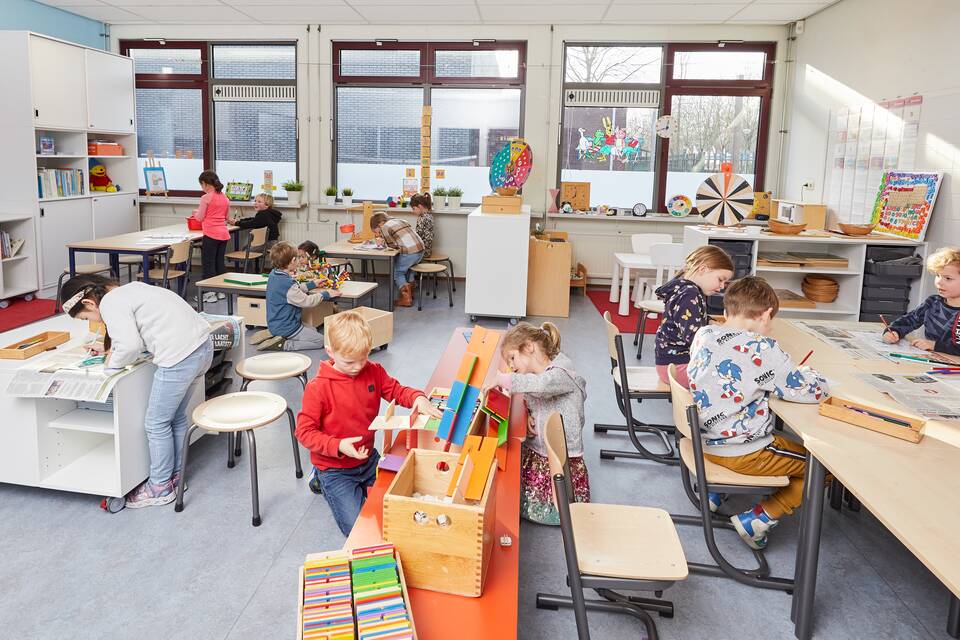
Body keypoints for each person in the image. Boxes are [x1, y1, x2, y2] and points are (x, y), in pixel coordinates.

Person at [688, 277, 829, 550]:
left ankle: (716, 492)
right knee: (826, 467)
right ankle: (761, 517)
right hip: (743, 451)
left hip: (702, 441)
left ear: (727, 311)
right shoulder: (762, 347)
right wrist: (812, 376)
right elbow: (810, 391)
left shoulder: (704, 334)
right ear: (765, 314)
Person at [59, 274, 213, 508]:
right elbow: (141, 333)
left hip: (180, 357)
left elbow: (130, 345)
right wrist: (108, 347)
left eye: (86, 317)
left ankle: (160, 487)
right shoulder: (131, 289)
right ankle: (176, 476)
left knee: (156, 423)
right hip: (201, 347)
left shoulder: (110, 303)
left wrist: (109, 365)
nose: (93, 321)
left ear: (90, 303)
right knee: (176, 417)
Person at [295, 310, 442, 536]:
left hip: (368, 458)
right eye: (349, 361)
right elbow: (304, 432)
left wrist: (417, 398)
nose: (357, 367)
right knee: (359, 529)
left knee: (396, 508)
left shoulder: (372, 371)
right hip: (335, 469)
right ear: (330, 352)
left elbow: (395, 390)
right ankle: (320, 479)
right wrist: (338, 446)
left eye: (363, 358)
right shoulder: (318, 388)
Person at [491, 322, 588, 525]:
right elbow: (531, 396)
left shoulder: (561, 371)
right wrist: (528, 414)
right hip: (540, 448)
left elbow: (542, 386)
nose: (511, 366)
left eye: (512, 358)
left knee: (555, 510)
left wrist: (504, 379)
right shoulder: (531, 374)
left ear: (528, 347)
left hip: (562, 454)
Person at [654, 245, 734, 388]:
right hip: (678, 367)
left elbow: (695, 322)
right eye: (720, 279)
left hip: (670, 364)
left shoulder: (685, 289)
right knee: (733, 376)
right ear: (703, 269)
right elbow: (695, 338)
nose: (722, 286)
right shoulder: (689, 294)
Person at [257, 242, 341, 352]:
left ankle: (276, 334)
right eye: (297, 258)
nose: (299, 261)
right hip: (288, 327)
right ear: (293, 261)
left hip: (277, 323)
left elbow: (293, 290)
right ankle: (284, 344)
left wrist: (313, 284)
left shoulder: (274, 274)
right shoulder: (287, 284)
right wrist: (326, 294)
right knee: (321, 341)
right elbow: (307, 302)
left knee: (313, 329)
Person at [883, 247, 960, 352]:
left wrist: (935, 346)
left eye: (948, 278)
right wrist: (893, 332)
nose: (939, 282)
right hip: (932, 360)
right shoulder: (933, 303)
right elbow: (909, 320)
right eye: (938, 275)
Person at [369, 212, 425, 308]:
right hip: (420, 250)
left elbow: (391, 246)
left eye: (376, 231)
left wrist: (381, 242)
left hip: (410, 252)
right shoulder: (400, 220)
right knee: (408, 268)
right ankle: (410, 293)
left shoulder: (385, 227)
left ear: (379, 225)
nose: (378, 234)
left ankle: (406, 299)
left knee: (397, 272)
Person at [193, 170, 231, 304]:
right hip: (223, 234)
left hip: (210, 233)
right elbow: (226, 217)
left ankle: (209, 293)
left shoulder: (206, 198)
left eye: (201, 185)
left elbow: (200, 218)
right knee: (219, 263)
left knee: (208, 264)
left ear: (204, 184)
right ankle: (220, 291)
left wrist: (195, 212)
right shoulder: (225, 197)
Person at [229, 191, 282, 261]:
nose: (255, 203)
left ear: (267, 205)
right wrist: (240, 221)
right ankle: (252, 269)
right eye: (255, 201)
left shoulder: (263, 215)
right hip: (272, 242)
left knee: (246, 252)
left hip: (268, 243)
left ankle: (248, 271)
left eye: (259, 202)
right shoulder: (269, 214)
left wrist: (237, 223)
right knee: (245, 248)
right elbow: (254, 220)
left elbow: (251, 223)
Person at [410, 192, 435, 258]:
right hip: (428, 250)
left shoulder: (422, 218)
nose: (413, 211)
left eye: (413, 208)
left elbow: (418, 236)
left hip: (422, 252)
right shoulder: (429, 215)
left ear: (420, 206)